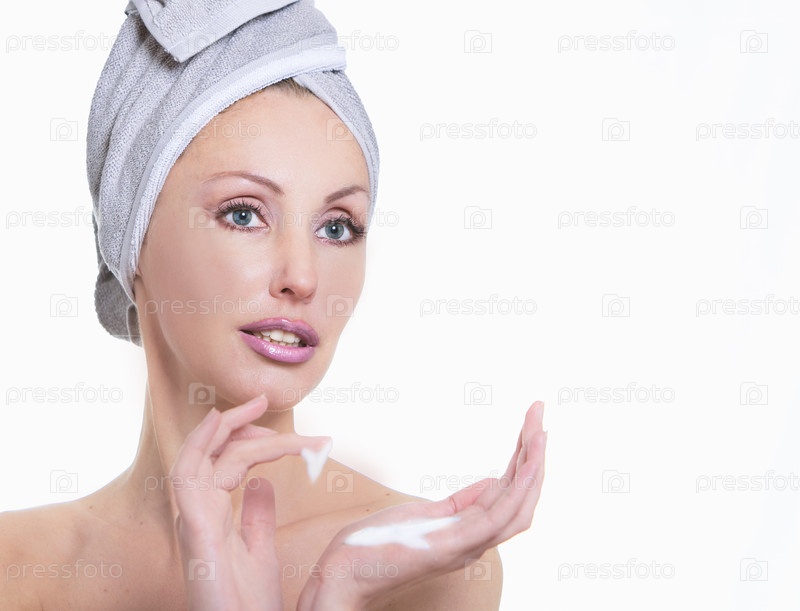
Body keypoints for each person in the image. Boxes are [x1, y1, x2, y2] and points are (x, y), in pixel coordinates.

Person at [0, 1, 547, 609]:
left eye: (337, 227)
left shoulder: (426, 568)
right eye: (244, 214)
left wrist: (334, 591)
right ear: (133, 236)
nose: (303, 277)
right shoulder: (16, 566)